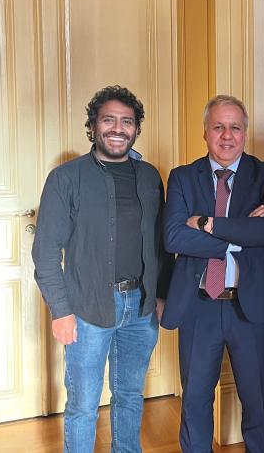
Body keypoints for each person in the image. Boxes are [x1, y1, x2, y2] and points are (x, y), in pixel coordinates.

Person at [32, 85, 170, 453]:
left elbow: (161, 243)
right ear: (93, 126)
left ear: (137, 129)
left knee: (129, 396)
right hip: (88, 307)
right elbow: (45, 251)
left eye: (127, 122)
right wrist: (60, 311)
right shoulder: (66, 178)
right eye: (109, 120)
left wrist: (160, 295)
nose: (118, 128)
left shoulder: (150, 176)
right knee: (83, 406)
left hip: (140, 310)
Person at [160, 95, 264, 453]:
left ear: (245, 133)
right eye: (218, 127)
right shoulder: (183, 177)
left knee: (258, 402)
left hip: (251, 309)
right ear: (205, 132)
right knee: (196, 401)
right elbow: (173, 237)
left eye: (235, 127)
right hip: (199, 307)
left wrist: (204, 224)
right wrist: (235, 235)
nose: (226, 136)